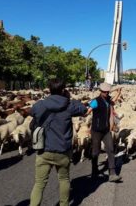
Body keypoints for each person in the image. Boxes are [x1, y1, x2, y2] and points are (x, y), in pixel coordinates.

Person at [30, 78, 87, 206]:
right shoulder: (69, 105)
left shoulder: (40, 104)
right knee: (64, 179)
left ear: (49, 90)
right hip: (63, 150)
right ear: (63, 90)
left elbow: (31, 112)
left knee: (39, 183)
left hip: (43, 149)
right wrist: (69, 97)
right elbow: (83, 109)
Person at [86, 82, 122, 182]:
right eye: (104, 92)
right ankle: (94, 171)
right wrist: (84, 112)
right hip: (96, 130)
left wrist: (118, 93)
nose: (106, 93)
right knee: (95, 152)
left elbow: (113, 102)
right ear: (101, 91)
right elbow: (88, 111)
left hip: (106, 130)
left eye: (107, 92)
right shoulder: (96, 101)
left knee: (110, 149)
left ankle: (112, 173)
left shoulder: (108, 100)